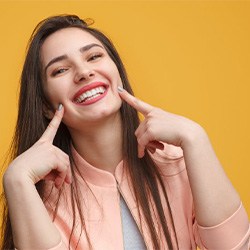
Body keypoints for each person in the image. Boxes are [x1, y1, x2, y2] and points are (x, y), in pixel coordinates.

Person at [1, 14, 249, 250]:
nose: (84, 72)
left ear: (116, 71)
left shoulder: (178, 162)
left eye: (94, 56)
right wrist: (16, 180)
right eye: (60, 70)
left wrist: (196, 138)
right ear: (45, 105)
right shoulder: (42, 197)